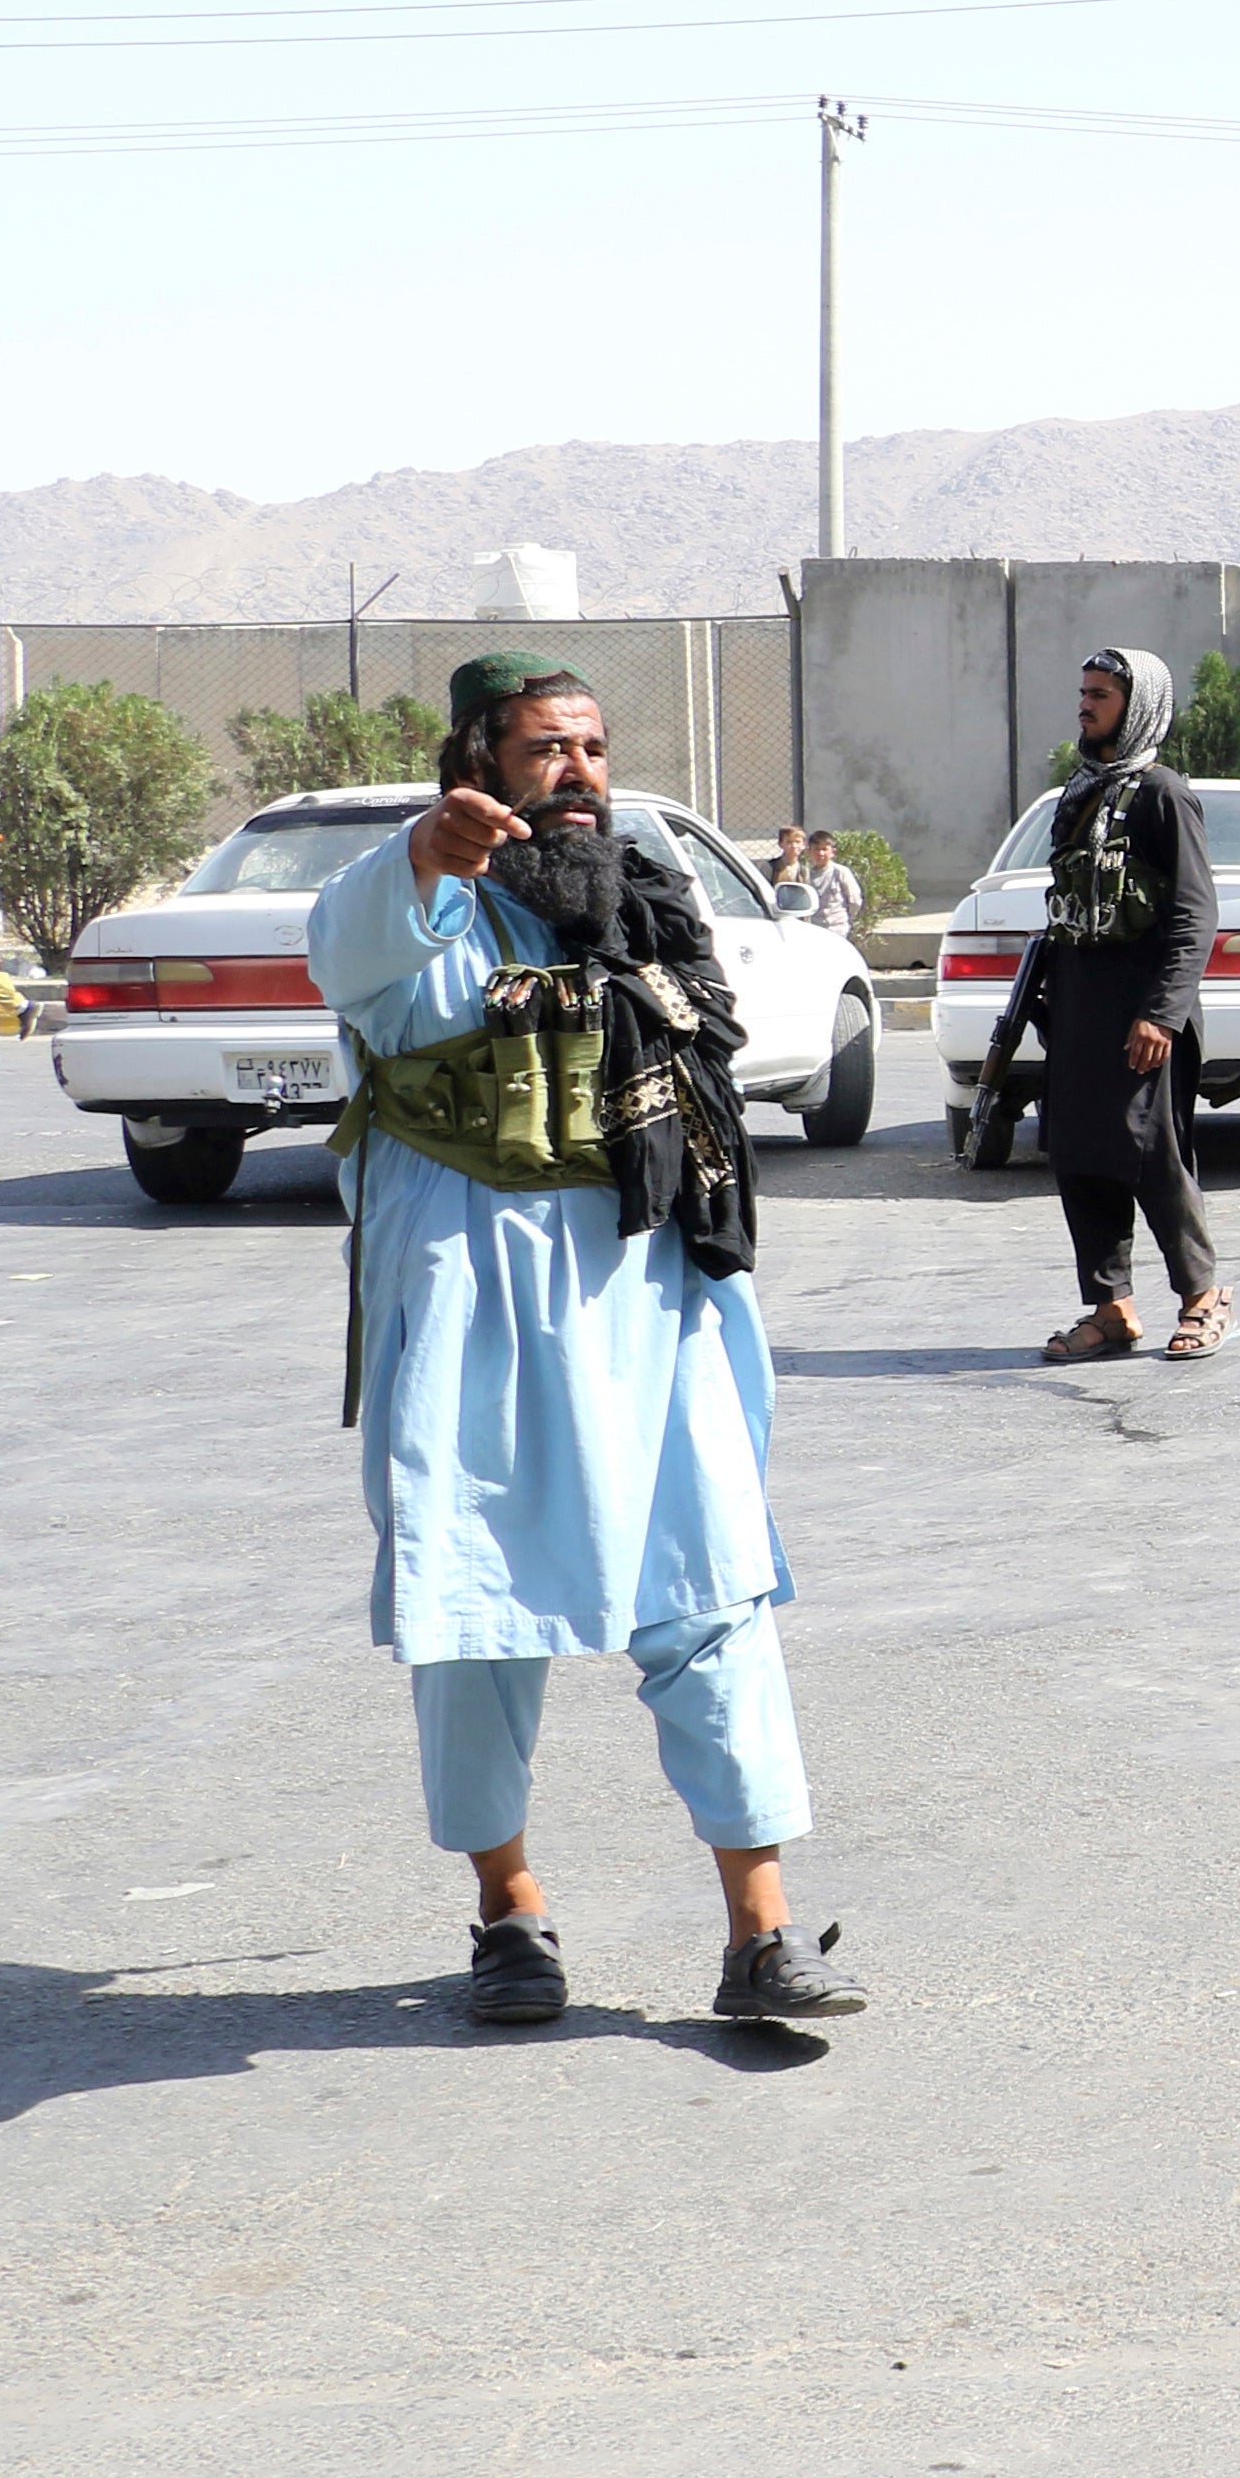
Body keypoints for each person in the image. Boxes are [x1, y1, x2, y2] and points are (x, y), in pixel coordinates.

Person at [309, 651, 861, 2030]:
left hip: (655, 1312)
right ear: (478, 763)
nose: (580, 772)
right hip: (476, 1324)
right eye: (549, 748)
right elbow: (346, 947)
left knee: (714, 1592)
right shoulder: (419, 916)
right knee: (476, 1619)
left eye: (596, 748)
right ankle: (510, 1912)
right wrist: (424, 859)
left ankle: (762, 1936)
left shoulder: (644, 912)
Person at [1023, 646, 1229, 1363]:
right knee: (1081, 1155)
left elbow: (1195, 913)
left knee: (1151, 1157)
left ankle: (1203, 1297)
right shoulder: (1078, 794)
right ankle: (1111, 1309)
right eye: (1083, 692)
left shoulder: (1164, 794)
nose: (1086, 705)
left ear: (1136, 706)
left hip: (1144, 1014)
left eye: (1102, 695)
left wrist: (1162, 1013)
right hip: (1078, 1010)